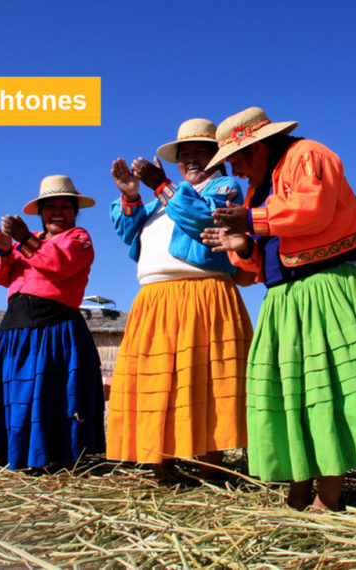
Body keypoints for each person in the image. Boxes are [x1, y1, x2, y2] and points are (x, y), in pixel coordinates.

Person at [202, 107, 356, 511]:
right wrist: (242, 245)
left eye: (236, 159)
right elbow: (258, 262)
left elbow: (312, 210)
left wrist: (251, 219)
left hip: (327, 287)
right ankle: (297, 489)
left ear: (256, 147)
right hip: (284, 299)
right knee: (293, 395)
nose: (236, 171)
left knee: (330, 389)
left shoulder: (309, 155)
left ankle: (327, 496)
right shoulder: (256, 187)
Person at [107, 118, 253, 481]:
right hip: (155, 301)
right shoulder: (161, 200)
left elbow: (205, 221)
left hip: (204, 295)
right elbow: (128, 233)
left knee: (207, 378)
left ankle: (211, 466)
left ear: (217, 157)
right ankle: (162, 463)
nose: (191, 160)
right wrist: (132, 196)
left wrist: (162, 187)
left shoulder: (224, 188)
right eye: (184, 155)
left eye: (201, 152)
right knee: (159, 383)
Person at [0, 175, 105, 470]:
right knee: (17, 397)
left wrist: (25, 240)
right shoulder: (30, 240)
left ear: (75, 212)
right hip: (16, 332)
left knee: (53, 396)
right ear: (40, 212)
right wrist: (4, 248)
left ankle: (58, 459)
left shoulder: (79, 239)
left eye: (65, 206)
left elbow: (59, 264)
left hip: (55, 332)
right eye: (50, 206)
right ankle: (13, 456)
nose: (57, 212)